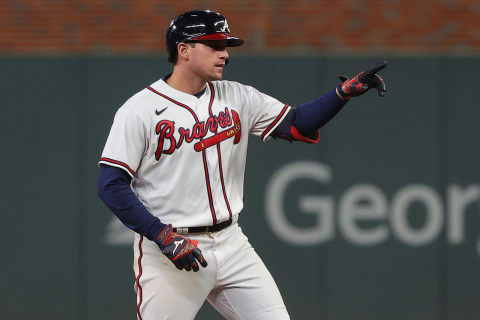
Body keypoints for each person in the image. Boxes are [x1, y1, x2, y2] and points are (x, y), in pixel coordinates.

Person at [98, 9, 387, 320]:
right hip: (170, 249)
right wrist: (162, 236)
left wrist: (340, 94)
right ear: (183, 50)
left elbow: (296, 124)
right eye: (214, 45)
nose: (224, 54)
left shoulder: (237, 96)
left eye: (226, 46)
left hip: (231, 242)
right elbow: (111, 185)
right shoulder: (139, 110)